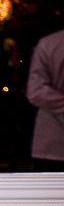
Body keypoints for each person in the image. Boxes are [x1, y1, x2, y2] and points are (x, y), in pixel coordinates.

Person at [27, 28, 64, 171]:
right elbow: (36, 91)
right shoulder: (49, 44)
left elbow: (37, 91)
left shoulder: (49, 44)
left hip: (52, 146)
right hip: (53, 147)